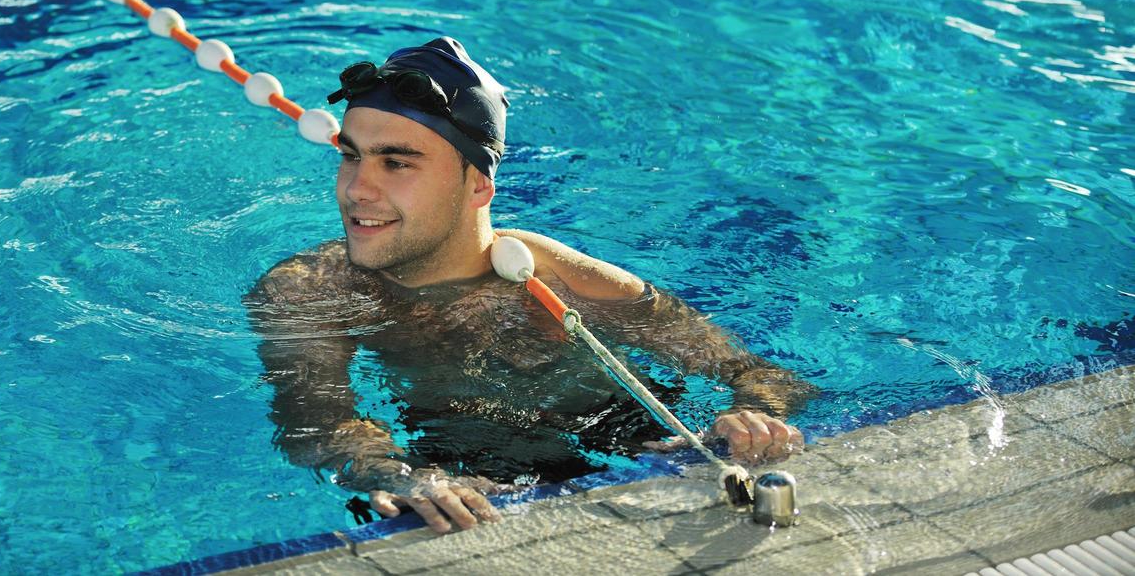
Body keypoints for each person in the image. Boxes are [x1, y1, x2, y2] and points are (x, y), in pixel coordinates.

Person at [244, 37, 816, 535]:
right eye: (351, 157)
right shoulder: (309, 290)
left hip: (633, 438)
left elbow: (758, 373)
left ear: (478, 186)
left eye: (396, 163)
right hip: (450, 463)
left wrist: (751, 416)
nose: (356, 190)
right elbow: (317, 426)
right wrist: (401, 475)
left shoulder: (554, 275)